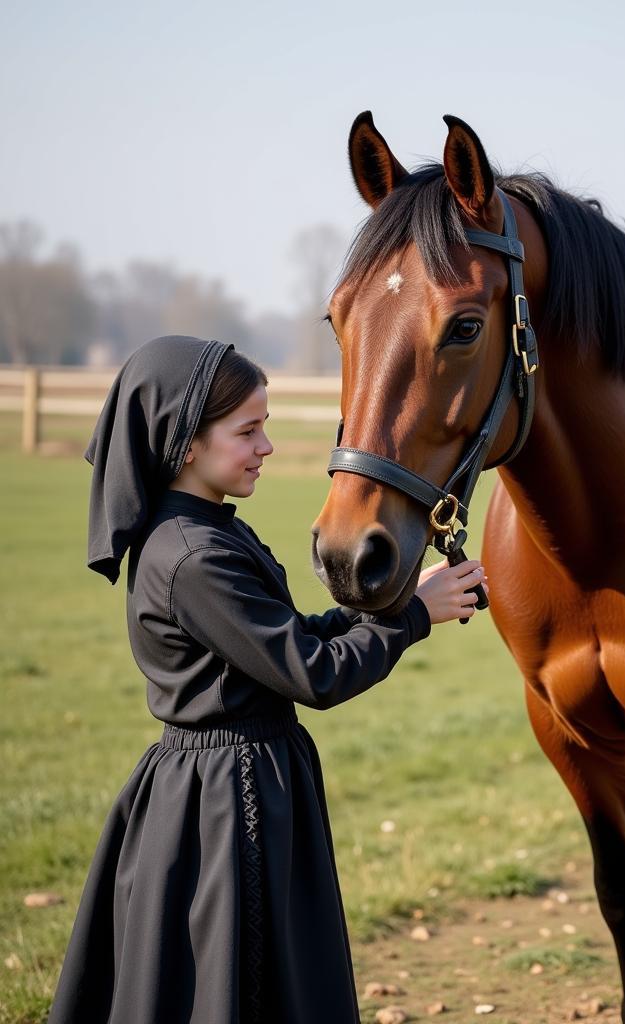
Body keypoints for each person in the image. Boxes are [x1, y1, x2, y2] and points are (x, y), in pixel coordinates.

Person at [48, 335, 486, 1024]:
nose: (267, 447)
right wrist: (413, 622)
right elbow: (314, 674)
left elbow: (290, 639)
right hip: (225, 805)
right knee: (237, 987)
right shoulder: (192, 556)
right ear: (185, 443)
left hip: (245, 779)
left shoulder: (211, 530)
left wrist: (399, 600)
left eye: (266, 427)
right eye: (247, 431)